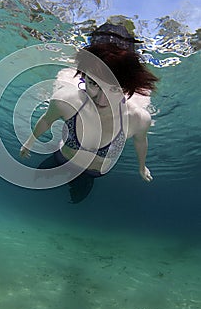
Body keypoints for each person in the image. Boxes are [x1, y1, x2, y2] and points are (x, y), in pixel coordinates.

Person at [20, 23, 159, 203]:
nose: (101, 100)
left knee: (75, 200)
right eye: (94, 84)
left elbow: (141, 141)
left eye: (114, 89)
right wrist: (29, 142)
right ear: (83, 77)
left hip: (92, 174)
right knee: (33, 192)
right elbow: (47, 120)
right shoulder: (65, 101)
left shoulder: (138, 119)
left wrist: (142, 167)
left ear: (127, 88)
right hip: (61, 160)